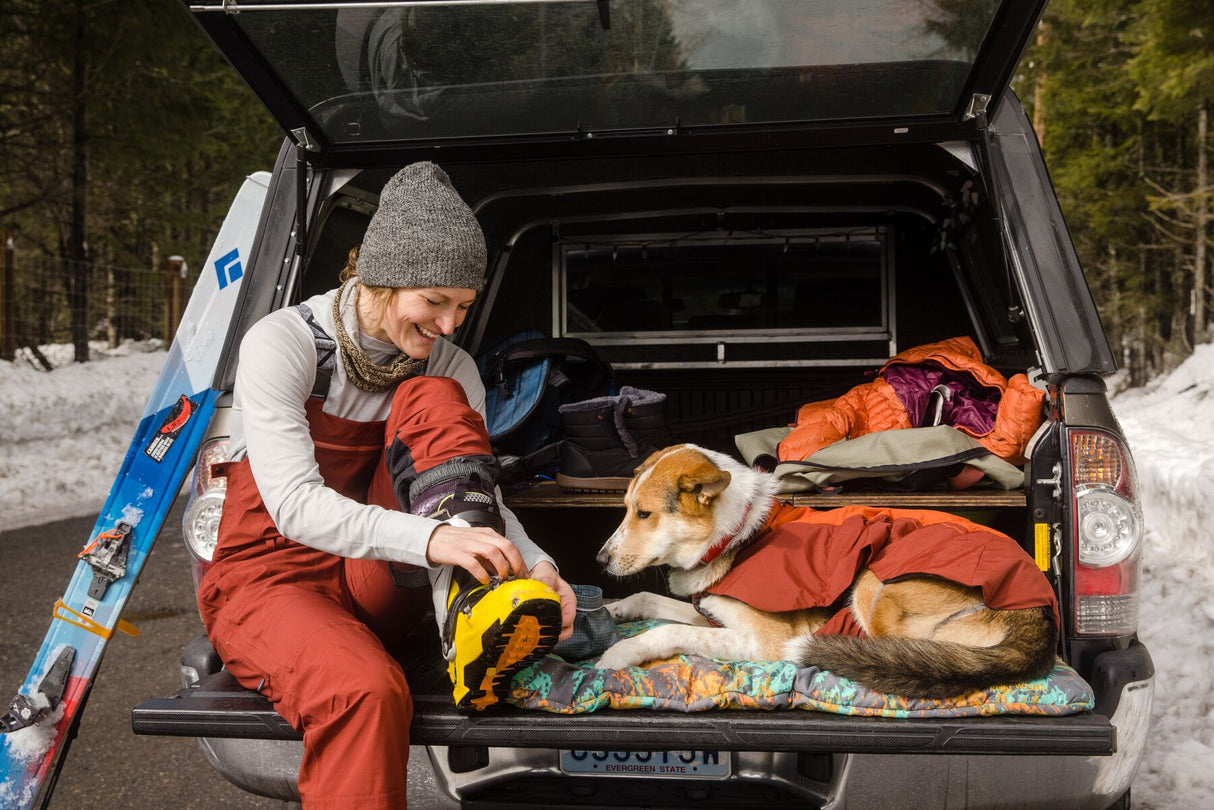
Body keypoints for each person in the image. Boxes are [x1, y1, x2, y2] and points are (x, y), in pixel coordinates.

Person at [197, 161, 576, 809]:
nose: (450, 325)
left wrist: (537, 565)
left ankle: (471, 609)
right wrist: (433, 540)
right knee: (363, 690)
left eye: (463, 306)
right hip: (271, 578)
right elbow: (292, 506)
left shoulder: (449, 365)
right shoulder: (285, 343)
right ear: (382, 278)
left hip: (377, 576)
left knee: (434, 393)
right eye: (435, 302)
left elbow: (474, 494)